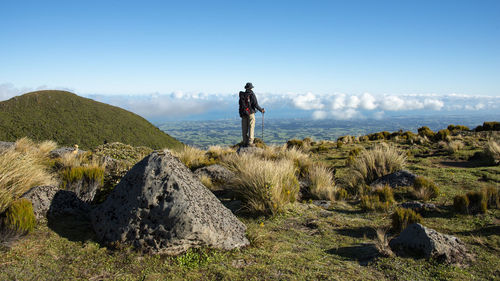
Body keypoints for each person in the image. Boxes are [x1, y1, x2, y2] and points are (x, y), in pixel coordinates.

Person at [239, 82, 265, 147]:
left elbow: (240, 105)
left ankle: (245, 141)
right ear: (251, 88)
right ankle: (250, 142)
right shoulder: (252, 94)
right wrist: (261, 110)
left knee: (244, 128)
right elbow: (255, 104)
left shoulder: (242, 95)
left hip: (243, 114)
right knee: (251, 127)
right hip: (250, 113)